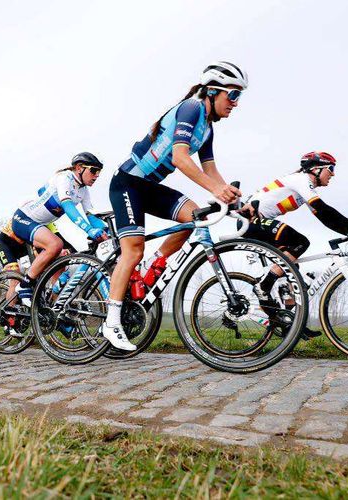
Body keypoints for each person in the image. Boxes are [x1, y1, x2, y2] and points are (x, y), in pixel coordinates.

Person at [104, 62, 247, 351]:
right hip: (128, 183)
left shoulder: (207, 129)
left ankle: (151, 268)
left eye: (238, 97)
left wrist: (235, 201)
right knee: (132, 249)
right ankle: (112, 321)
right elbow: (181, 159)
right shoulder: (191, 109)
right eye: (233, 95)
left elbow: (210, 169)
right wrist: (217, 190)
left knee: (196, 216)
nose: (235, 104)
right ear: (212, 91)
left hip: (150, 188)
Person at [242, 151, 348, 337]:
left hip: (258, 223)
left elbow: (326, 218)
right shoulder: (300, 180)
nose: (333, 174)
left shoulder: (303, 187)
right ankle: (263, 286)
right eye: (330, 169)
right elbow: (324, 210)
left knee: (291, 273)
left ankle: (291, 324)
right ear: (316, 169)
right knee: (300, 242)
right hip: (251, 221)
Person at [10, 152, 109, 305]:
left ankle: (45, 296)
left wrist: (106, 231)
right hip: (24, 218)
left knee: (62, 255)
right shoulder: (65, 178)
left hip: (39, 224)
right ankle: (24, 286)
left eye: (99, 172)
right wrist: (89, 230)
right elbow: (68, 206)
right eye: (94, 171)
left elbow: (91, 215)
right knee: (55, 244)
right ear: (79, 168)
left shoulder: (83, 191)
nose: (96, 176)